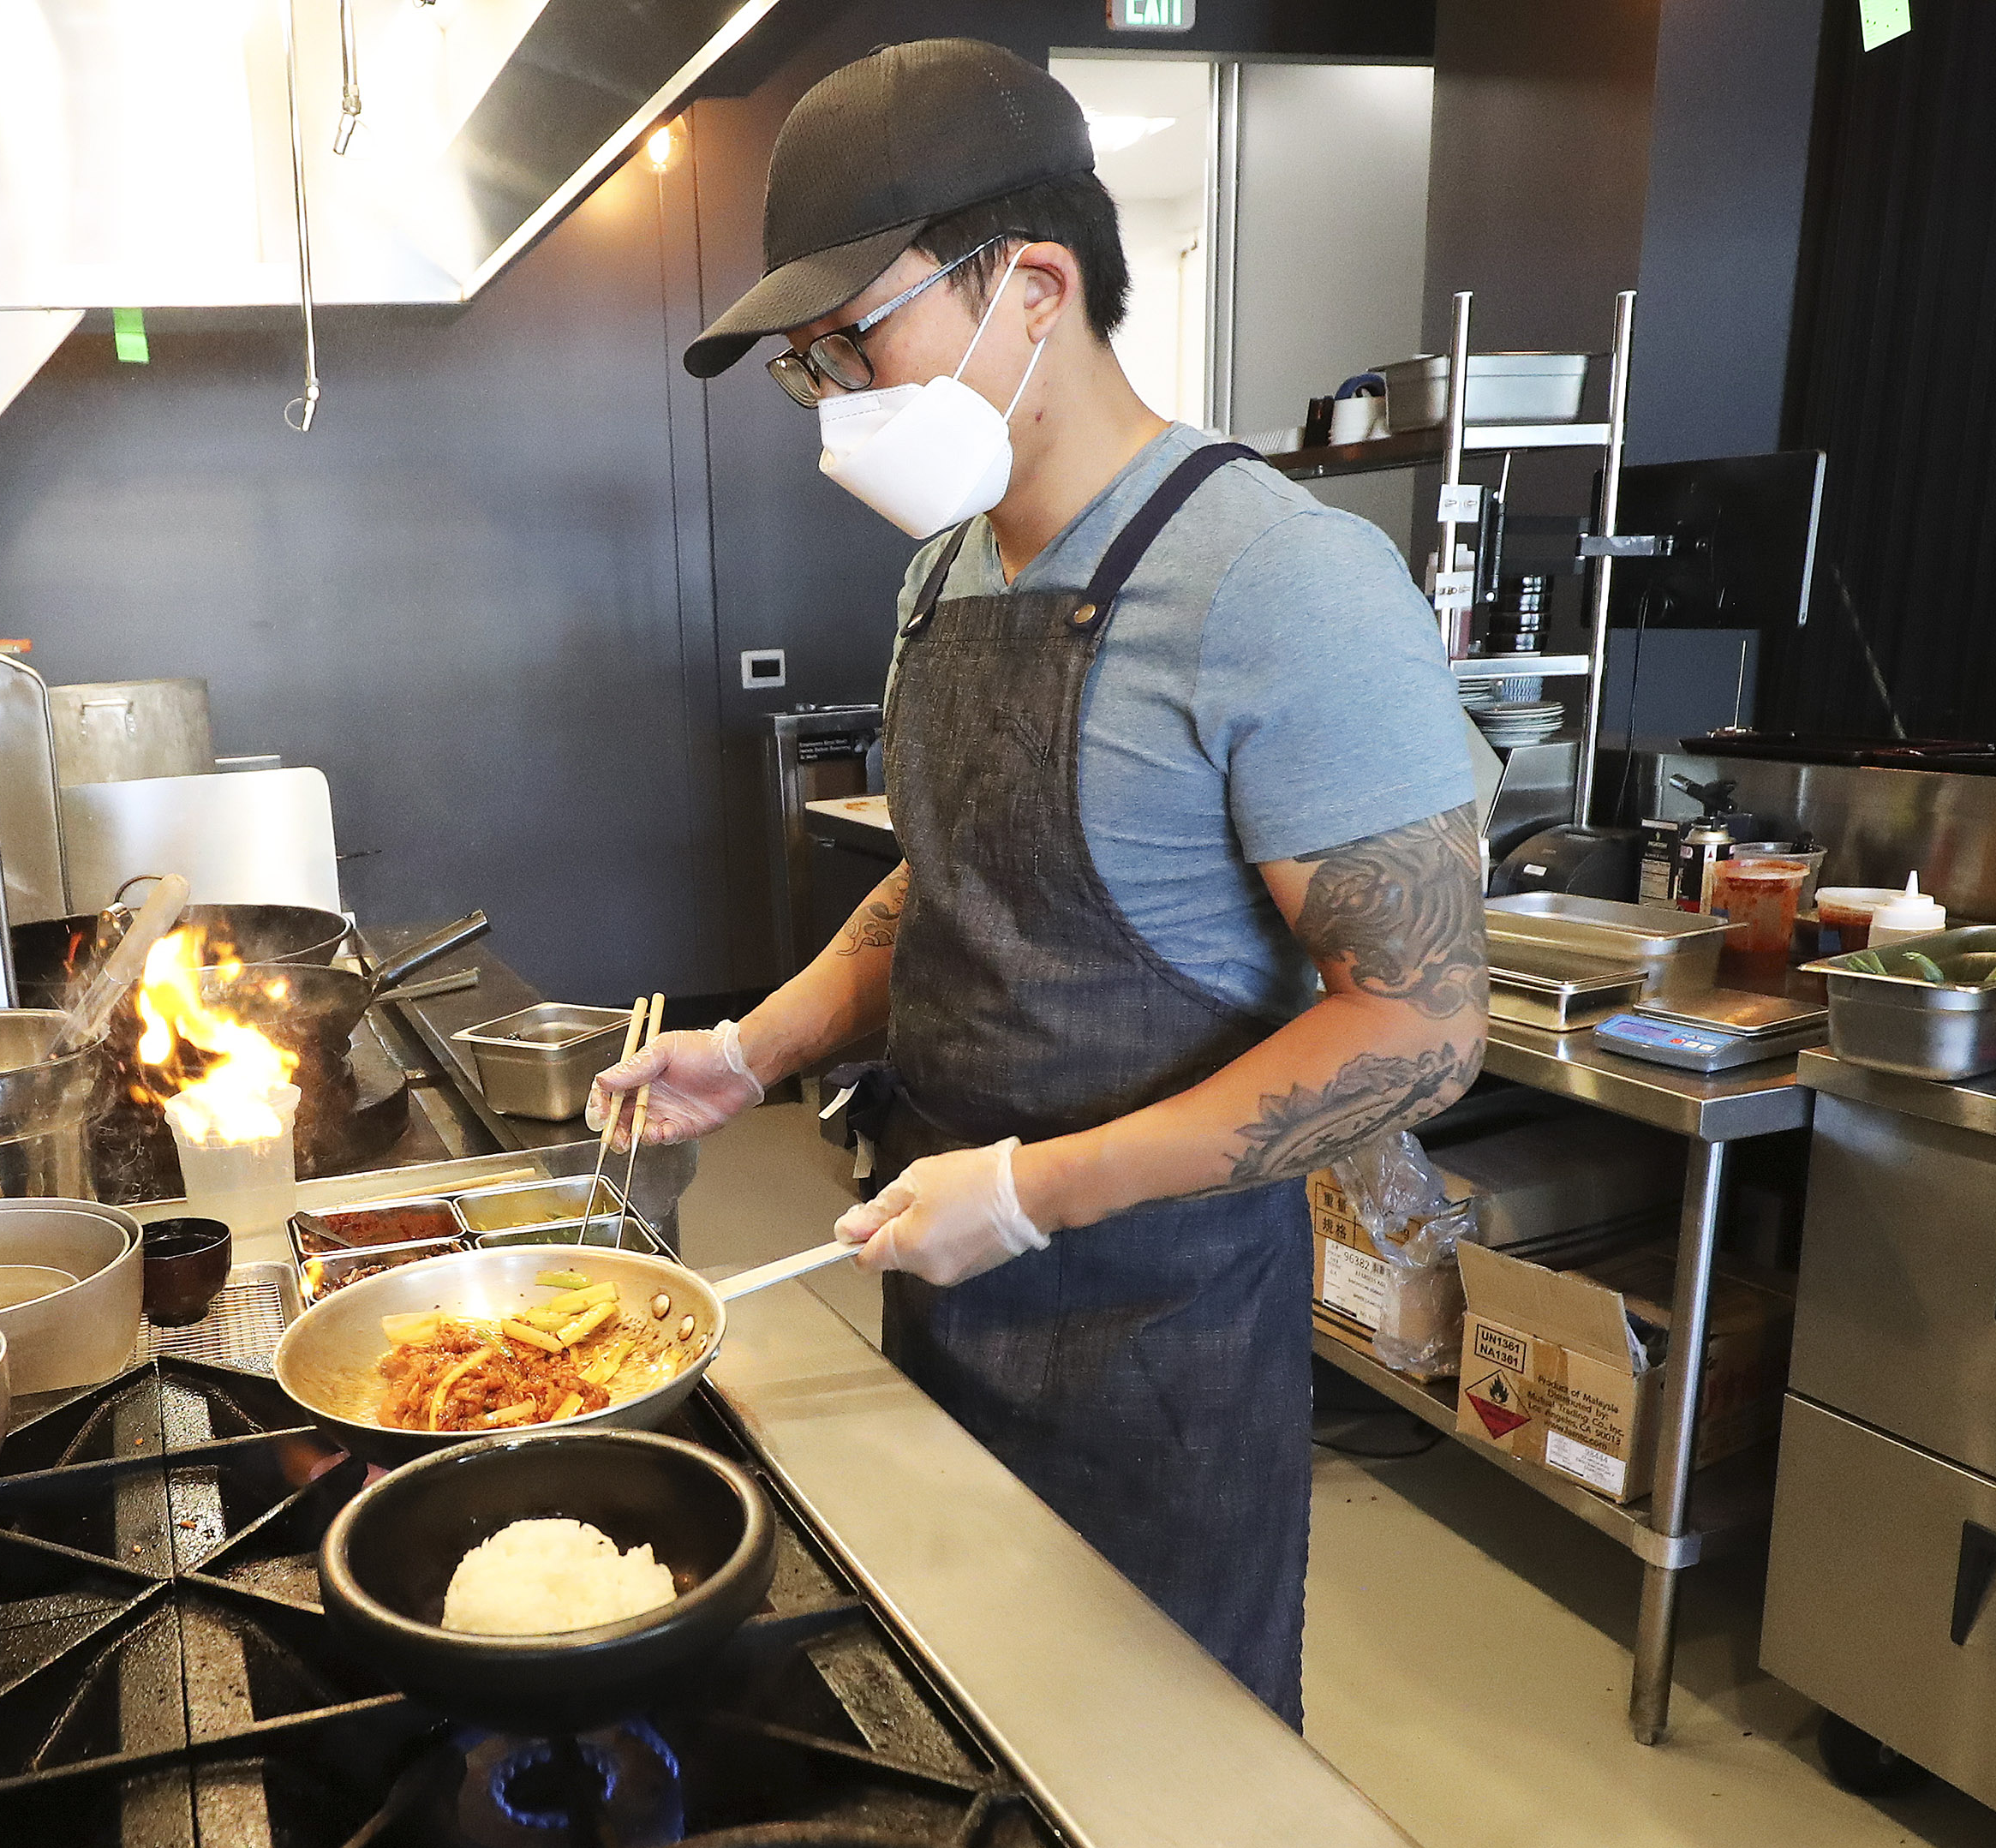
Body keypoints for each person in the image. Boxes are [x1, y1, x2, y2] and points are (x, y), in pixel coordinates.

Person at [593, 39, 1495, 1727]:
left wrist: (1043, 1187)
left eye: (854, 338)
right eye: (809, 363)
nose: (837, 394)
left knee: (1162, 1791)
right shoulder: (946, 567)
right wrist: (760, 1044)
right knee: (971, 1742)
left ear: (1032, 286)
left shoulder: (1281, 583)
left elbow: (1422, 1024)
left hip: (1157, 1342)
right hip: (947, 1289)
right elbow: (948, 885)